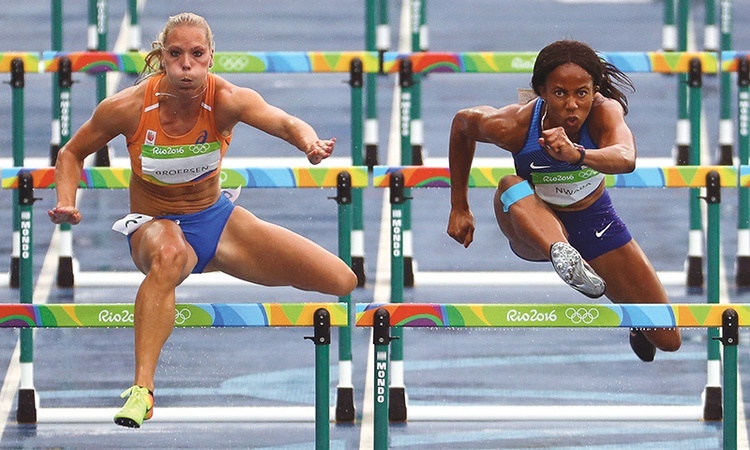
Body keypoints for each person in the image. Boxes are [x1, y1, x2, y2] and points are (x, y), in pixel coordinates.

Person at [47, 12, 358, 428]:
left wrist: (309, 143)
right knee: (172, 251)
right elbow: (70, 153)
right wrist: (66, 200)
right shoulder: (129, 107)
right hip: (153, 225)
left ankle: (203, 255)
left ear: (211, 57)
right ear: (161, 57)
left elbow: (283, 121)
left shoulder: (227, 99)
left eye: (196, 54)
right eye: (176, 54)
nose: (186, 65)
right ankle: (142, 390)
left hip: (215, 219)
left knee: (342, 280)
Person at [446, 39, 681, 362]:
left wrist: (578, 154)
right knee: (509, 184)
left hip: (594, 223)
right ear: (541, 91)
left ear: (595, 90)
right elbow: (461, 124)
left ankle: (635, 323)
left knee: (669, 339)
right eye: (560, 93)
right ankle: (563, 254)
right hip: (532, 225)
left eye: (581, 93)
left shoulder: (604, 113)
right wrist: (459, 206)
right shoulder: (514, 125)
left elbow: (626, 157)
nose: (572, 105)